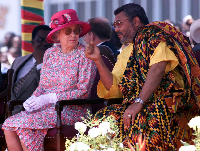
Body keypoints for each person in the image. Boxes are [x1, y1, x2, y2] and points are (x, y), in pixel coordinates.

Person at [86, 3, 200, 150]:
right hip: (141, 103)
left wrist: (139, 102)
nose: (116, 29)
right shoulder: (127, 51)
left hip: (168, 101)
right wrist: (98, 60)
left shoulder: (153, 35)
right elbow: (116, 89)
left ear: (136, 21)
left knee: (146, 118)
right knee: (104, 117)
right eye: (114, 25)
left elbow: (158, 68)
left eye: (119, 23)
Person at [2, 9, 96, 151]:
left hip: (72, 109)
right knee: (9, 124)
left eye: (76, 31)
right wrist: (34, 98)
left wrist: (51, 98)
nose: (73, 35)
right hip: (47, 110)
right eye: (68, 31)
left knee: (22, 124)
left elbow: (83, 92)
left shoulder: (85, 54)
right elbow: (43, 86)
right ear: (57, 35)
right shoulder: (50, 54)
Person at [11, 25, 53, 115]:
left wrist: (41, 64)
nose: (45, 43)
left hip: (32, 112)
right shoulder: (18, 61)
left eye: (48, 41)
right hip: (9, 110)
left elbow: (45, 89)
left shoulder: (56, 64)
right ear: (32, 42)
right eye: (40, 40)